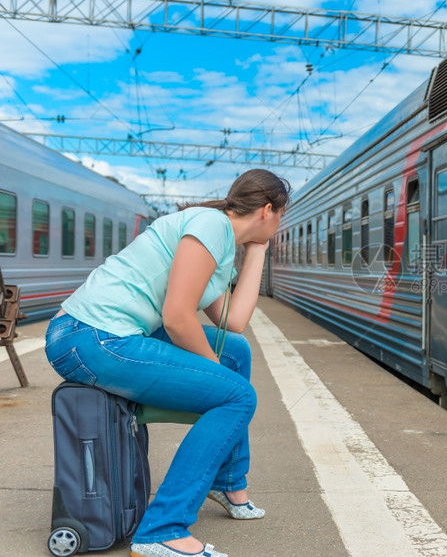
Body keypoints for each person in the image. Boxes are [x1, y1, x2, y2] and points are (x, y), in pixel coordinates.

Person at [44, 168, 291, 557]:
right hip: (89, 336)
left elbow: (233, 321)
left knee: (235, 351)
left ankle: (227, 480)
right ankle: (162, 529)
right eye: (281, 216)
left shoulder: (223, 243)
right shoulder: (210, 225)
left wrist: (257, 250)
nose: (280, 224)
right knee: (236, 396)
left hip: (111, 333)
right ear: (267, 210)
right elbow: (177, 317)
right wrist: (215, 374)